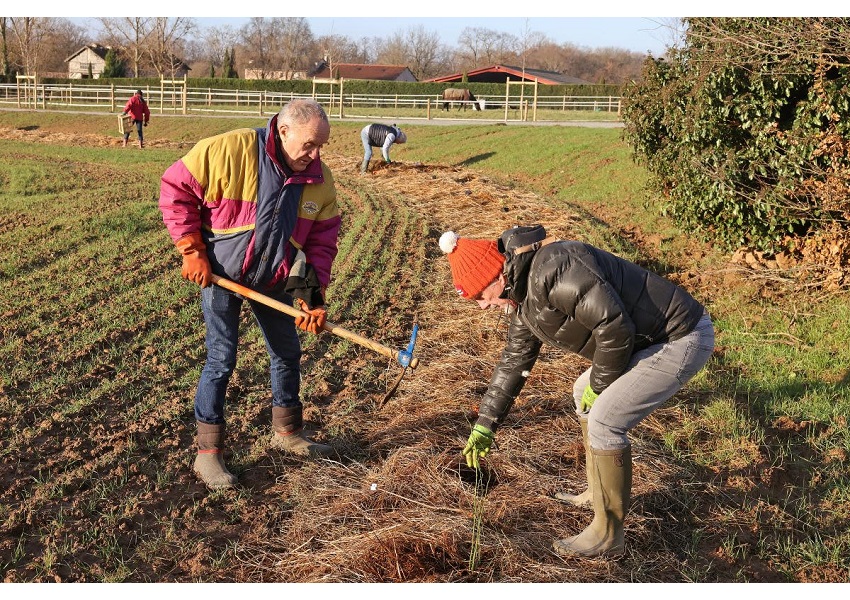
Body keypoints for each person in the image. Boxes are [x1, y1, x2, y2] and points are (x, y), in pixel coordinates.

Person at [439, 224, 715, 558]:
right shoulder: (522, 295)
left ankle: (608, 534)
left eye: (480, 294)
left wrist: (601, 387)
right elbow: (514, 361)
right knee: (580, 388)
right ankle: (597, 491)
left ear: (497, 274)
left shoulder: (555, 268)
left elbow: (614, 327)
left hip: (680, 336)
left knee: (604, 421)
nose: (482, 306)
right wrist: (486, 422)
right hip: (645, 342)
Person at [158, 98, 341, 490]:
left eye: (321, 146)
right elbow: (176, 187)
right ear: (284, 130)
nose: (315, 154)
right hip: (221, 275)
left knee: (287, 352)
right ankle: (207, 454)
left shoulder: (319, 180)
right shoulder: (231, 149)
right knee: (222, 358)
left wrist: (312, 296)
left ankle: (288, 432)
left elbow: (320, 245)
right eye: (309, 144)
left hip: (274, 280)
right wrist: (191, 251)